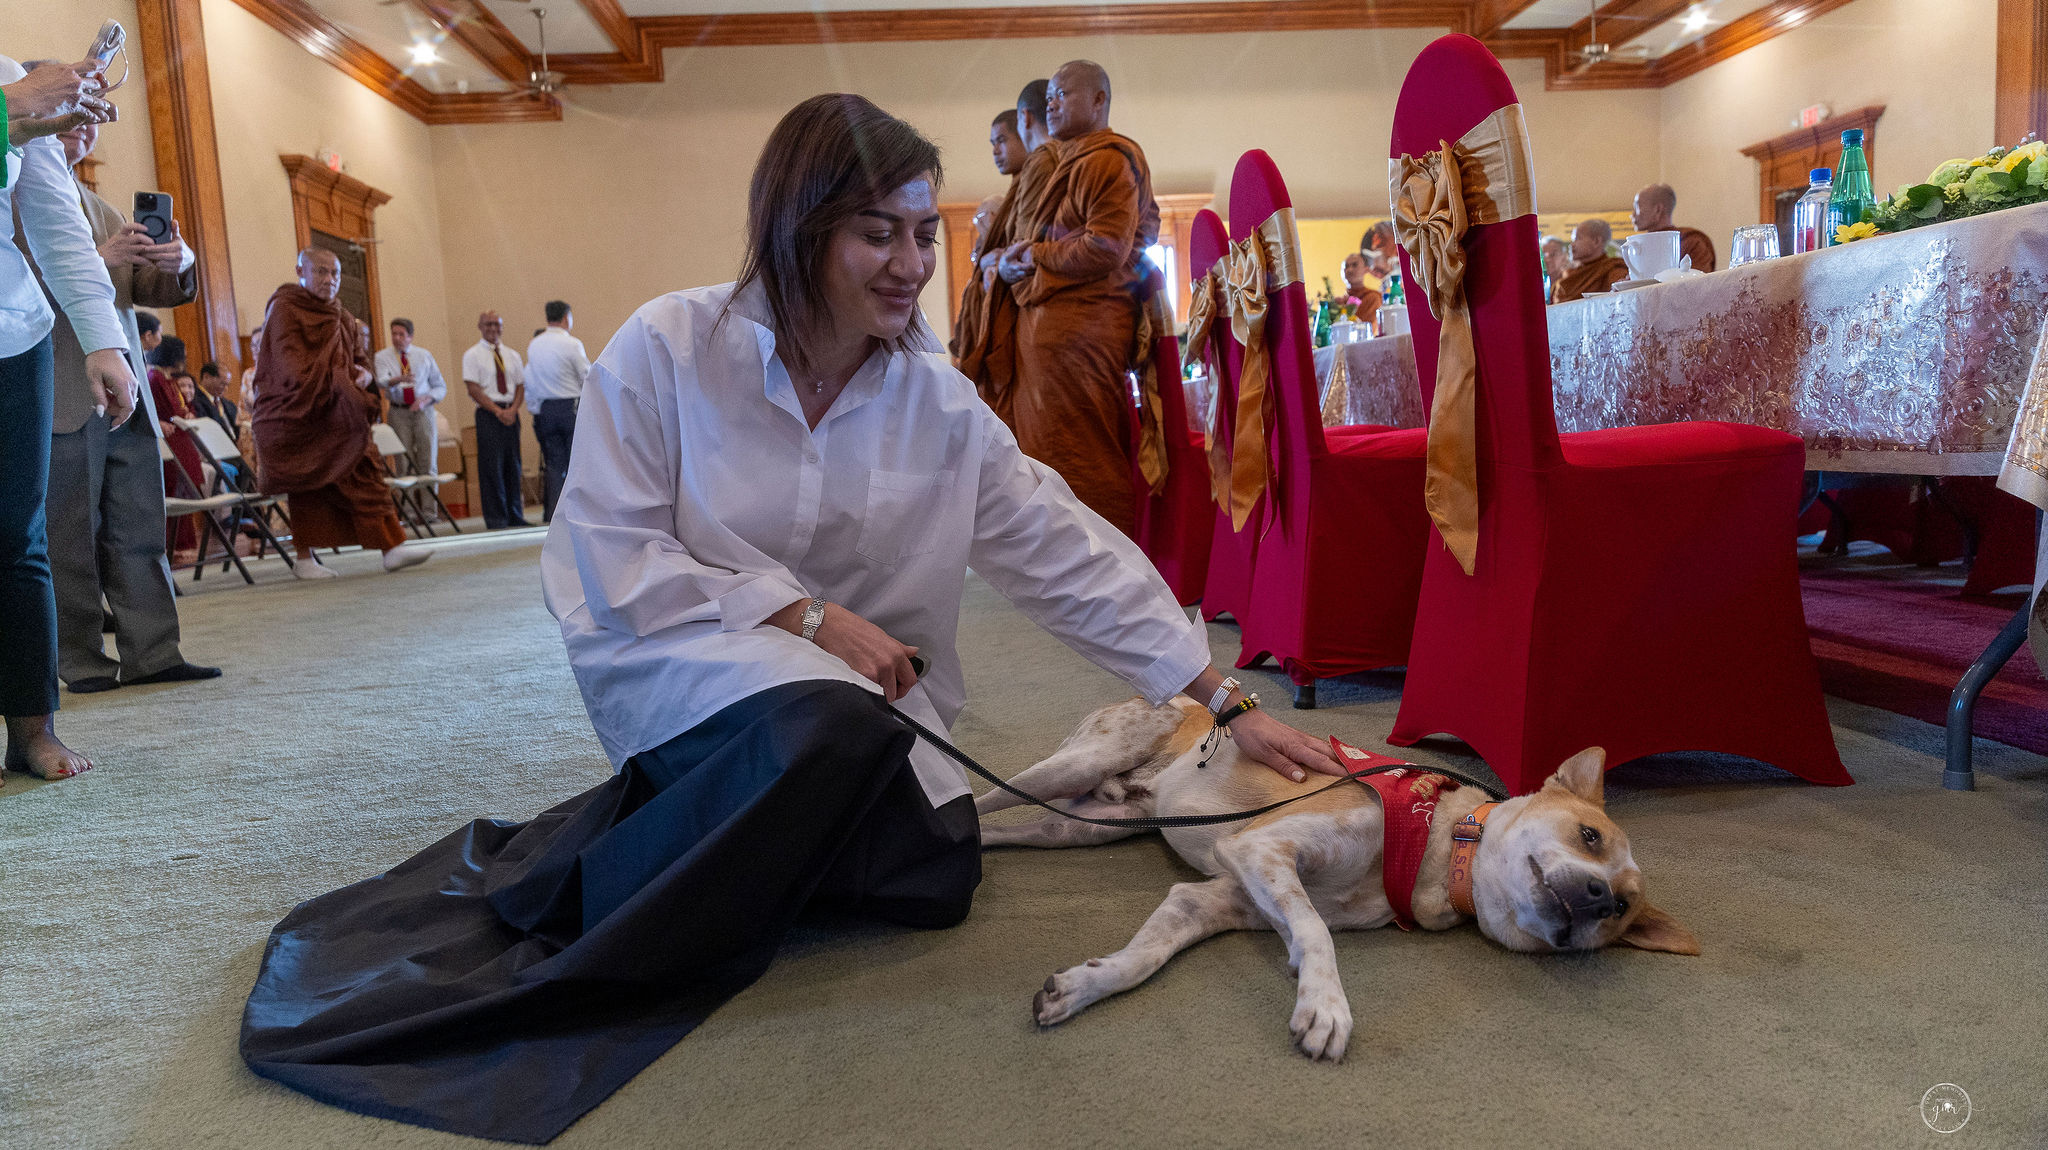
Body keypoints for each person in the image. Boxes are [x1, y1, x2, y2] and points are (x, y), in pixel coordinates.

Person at [240, 93, 1347, 1144]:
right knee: (824, 725)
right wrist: (804, 616)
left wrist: (1219, 696)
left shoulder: (937, 401)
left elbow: (1064, 551)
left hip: (864, 705)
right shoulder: (668, 349)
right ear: (799, 228)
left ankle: (726, 829)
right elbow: (607, 549)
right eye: (878, 233)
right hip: (685, 660)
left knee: (933, 880)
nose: (912, 263)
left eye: (924, 233)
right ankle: (610, 879)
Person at [30, 117, 217, 694]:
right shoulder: (17, 200)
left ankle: (153, 653)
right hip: (65, 390)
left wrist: (179, 263)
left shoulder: (103, 207)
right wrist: (100, 257)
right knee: (69, 537)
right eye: (71, 117)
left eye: (90, 123)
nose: (83, 130)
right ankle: (81, 661)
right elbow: (20, 292)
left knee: (140, 527)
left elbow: (144, 290)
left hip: (127, 391)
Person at [1, 52, 132, 782]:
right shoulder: (15, 90)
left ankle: (33, 727)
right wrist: (8, 112)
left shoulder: (8, 71)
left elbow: (57, 223)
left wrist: (103, 340)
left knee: (19, 538)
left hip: (12, 334)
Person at [999, 60, 1158, 535]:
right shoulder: (1066, 160)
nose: (1051, 104)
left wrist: (1035, 255)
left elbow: (1106, 246)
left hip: (1082, 332)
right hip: (1051, 332)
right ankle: (1062, 563)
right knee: (1047, 459)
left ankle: (1106, 565)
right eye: (1048, 96)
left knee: (1085, 456)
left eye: (1062, 94)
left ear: (1098, 100)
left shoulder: (1107, 159)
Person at [250, 248, 430, 578]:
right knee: (308, 486)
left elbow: (359, 360)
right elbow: (288, 366)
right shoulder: (285, 307)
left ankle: (392, 547)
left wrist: (362, 375)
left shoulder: (341, 316)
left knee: (367, 473)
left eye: (335, 273)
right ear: (300, 272)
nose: (329, 280)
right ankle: (304, 559)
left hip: (339, 412)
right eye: (320, 271)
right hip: (297, 412)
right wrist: (341, 379)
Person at [951, 79, 1062, 429]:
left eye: (1001, 140)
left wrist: (992, 261)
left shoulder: (1042, 165)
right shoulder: (1022, 181)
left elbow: (1021, 250)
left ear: (1025, 121)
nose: (995, 151)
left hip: (1034, 318)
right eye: (992, 144)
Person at [371, 317, 446, 512]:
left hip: (423, 410)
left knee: (427, 460)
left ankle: (429, 511)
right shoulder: (382, 356)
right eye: (394, 334)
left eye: (401, 334)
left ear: (410, 337)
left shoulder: (424, 356)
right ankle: (409, 512)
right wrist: (397, 380)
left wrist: (427, 399)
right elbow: (381, 381)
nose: (397, 338)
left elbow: (440, 387)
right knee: (403, 463)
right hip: (399, 411)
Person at [524, 300, 589, 523]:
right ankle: (577, 514)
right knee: (576, 463)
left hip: (546, 409)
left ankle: (554, 513)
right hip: (569, 407)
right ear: (566, 317)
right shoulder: (572, 344)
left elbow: (532, 380)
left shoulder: (534, 345)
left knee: (553, 464)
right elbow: (586, 376)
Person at [462, 309, 528, 529]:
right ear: (480, 327)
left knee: (513, 465)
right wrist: (498, 411)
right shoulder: (472, 355)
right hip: (488, 414)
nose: (493, 328)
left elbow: (520, 386)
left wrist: (513, 409)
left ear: (501, 327)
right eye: (488, 324)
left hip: (511, 413)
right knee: (492, 467)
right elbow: (473, 389)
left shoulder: (512, 355)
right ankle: (497, 518)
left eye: (496, 324)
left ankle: (515, 515)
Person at [147, 337, 205, 555]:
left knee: (184, 491)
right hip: (170, 442)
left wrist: (186, 413)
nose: (185, 358)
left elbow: (180, 407)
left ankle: (185, 543)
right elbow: (159, 411)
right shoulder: (155, 378)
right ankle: (176, 545)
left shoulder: (168, 378)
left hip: (180, 440)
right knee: (175, 489)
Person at [1631, 182, 1716, 273]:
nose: (1633, 214)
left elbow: (1697, 279)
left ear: (1658, 210)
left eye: (1637, 206)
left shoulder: (1692, 242)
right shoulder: (1637, 246)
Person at [1551, 218, 1628, 304]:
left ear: (1596, 241)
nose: (1572, 245)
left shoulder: (1612, 270)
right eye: (1572, 240)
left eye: (1577, 239)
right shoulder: (1570, 273)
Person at [193, 361, 239, 439]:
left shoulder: (229, 404)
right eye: (222, 384)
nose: (226, 389)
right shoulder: (194, 401)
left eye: (227, 385)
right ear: (206, 377)